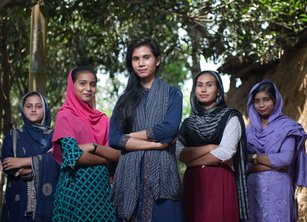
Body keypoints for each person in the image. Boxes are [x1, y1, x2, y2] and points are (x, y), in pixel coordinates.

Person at [109, 37, 184, 222]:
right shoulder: (125, 99)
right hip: (129, 176)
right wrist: (155, 145)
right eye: (136, 59)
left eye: (146, 57)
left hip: (162, 177)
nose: (141, 63)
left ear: (157, 60)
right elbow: (112, 138)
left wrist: (129, 137)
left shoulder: (172, 94)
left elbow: (169, 130)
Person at [177, 70, 249, 222]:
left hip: (219, 181)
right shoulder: (188, 123)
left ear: (218, 91)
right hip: (193, 183)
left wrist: (192, 162)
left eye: (209, 85)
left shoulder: (230, 116)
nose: (203, 90)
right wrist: (210, 147)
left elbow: (226, 152)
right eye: (199, 85)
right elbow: (178, 153)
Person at [51, 66, 120, 222]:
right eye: (82, 83)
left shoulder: (103, 120)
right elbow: (74, 157)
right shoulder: (65, 115)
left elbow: (118, 155)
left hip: (101, 193)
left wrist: (93, 147)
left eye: (92, 84)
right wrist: (106, 157)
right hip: (75, 191)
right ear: (72, 85)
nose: (88, 88)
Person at [245, 80, 307, 222]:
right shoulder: (249, 130)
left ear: (275, 100)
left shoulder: (287, 127)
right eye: (257, 101)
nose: (261, 105)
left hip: (278, 190)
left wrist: (252, 157)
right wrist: (271, 163)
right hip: (252, 189)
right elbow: (242, 162)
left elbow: (285, 159)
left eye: (266, 100)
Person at [1, 91, 60, 222]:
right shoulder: (13, 136)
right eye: (29, 106)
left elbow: (58, 162)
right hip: (18, 198)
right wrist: (40, 164)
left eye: (38, 106)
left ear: (44, 109)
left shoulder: (55, 136)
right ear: (23, 109)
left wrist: (23, 162)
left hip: (48, 199)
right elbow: (7, 165)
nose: (33, 110)